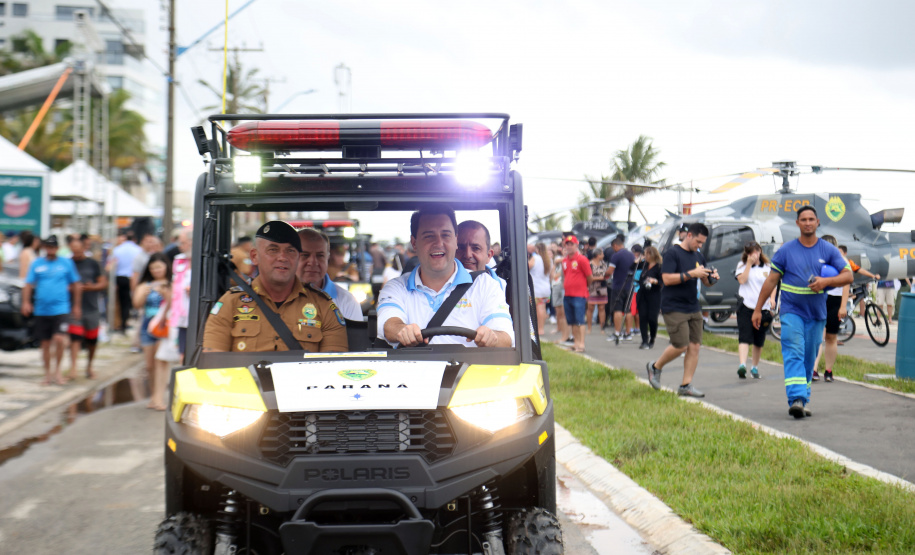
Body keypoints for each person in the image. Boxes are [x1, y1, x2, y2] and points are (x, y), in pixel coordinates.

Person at [752, 206, 853, 418]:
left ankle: (804, 398)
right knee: (794, 351)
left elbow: (848, 276)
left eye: (811, 219)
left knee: (808, 358)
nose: (807, 223)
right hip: (791, 310)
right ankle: (796, 398)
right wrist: (758, 309)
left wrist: (826, 281)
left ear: (817, 223)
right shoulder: (786, 251)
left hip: (817, 314)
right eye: (803, 220)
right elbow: (771, 280)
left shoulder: (828, 250)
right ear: (797, 223)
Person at [377, 205, 513, 348]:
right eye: (429, 236)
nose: (439, 243)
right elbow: (388, 323)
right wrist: (401, 330)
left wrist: (493, 337)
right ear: (414, 243)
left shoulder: (485, 285)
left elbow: (506, 337)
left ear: (455, 240)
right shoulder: (396, 287)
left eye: (446, 235)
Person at [204, 221, 348, 353]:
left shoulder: (324, 307)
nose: (282, 257)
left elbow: (332, 368)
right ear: (254, 256)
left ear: (298, 257)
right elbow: (214, 368)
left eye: (290, 251)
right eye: (273, 250)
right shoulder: (229, 304)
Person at [646, 223, 719, 398]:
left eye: (702, 243)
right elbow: (666, 279)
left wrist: (712, 278)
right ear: (689, 236)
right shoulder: (672, 253)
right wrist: (690, 274)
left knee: (695, 346)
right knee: (680, 346)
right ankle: (655, 367)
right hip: (674, 306)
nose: (700, 246)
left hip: (693, 305)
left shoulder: (699, 256)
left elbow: (706, 281)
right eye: (698, 242)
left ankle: (686, 385)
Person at [21, 235, 83, 386]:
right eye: (48, 247)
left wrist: (76, 305)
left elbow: (76, 284)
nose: (51, 250)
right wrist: (26, 302)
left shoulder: (66, 263)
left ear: (57, 248)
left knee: (59, 339)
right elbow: (28, 284)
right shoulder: (37, 264)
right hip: (42, 310)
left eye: (53, 247)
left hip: (61, 308)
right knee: (45, 344)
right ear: (44, 248)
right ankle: (48, 374)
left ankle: (58, 371)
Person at [297, 227, 364, 321]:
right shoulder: (275, 297)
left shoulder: (347, 301)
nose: (313, 262)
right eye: (305, 255)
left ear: (327, 258)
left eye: (320, 256)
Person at [133, 253, 172, 410]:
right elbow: (136, 304)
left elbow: (174, 303)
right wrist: (144, 293)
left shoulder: (170, 283)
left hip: (164, 324)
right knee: (149, 365)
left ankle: (159, 398)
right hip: (147, 325)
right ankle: (153, 396)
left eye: (159, 267)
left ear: (166, 267)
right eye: (153, 268)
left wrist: (165, 293)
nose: (156, 270)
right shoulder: (145, 285)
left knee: (160, 361)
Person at [67, 234, 107, 380]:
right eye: (73, 249)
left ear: (84, 248)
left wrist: (92, 287)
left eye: (79, 249)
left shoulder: (93, 263)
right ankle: (73, 368)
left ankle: (89, 366)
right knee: (75, 337)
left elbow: (103, 283)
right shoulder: (68, 263)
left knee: (92, 340)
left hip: (91, 306)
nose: (76, 252)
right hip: (73, 307)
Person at [734, 241, 775, 379]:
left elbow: (773, 285)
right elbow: (742, 280)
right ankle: (742, 365)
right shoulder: (742, 266)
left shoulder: (767, 268)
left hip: (763, 307)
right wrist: (749, 265)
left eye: (756, 252)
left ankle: (755, 367)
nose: (754, 255)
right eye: (750, 253)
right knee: (744, 336)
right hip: (746, 305)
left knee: (759, 339)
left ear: (760, 252)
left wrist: (772, 299)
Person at [811, 235, 849, 383]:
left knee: (831, 337)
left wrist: (843, 306)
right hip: (819, 298)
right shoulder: (816, 259)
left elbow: (846, 284)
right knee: (818, 336)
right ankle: (813, 369)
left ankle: (828, 370)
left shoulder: (841, 261)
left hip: (835, 301)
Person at [561, 235, 592, 353]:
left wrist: (584, 287)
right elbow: (566, 275)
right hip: (568, 294)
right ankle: (576, 343)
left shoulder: (582, 259)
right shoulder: (565, 260)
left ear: (576, 245)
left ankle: (581, 344)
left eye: (571, 244)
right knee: (572, 320)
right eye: (567, 244)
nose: (569, 246)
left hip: (579, 294)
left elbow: (589, 276)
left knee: (579, 320)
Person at [109, 230, 142, 332]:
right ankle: (125, 321)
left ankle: (122, 323)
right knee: (129, 301)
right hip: (133, 277)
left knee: (122, 302)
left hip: (120, 277)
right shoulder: (138, 249)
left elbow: (112, 265)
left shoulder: (117, 250)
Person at [169, 227, 193, 360]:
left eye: (183, 243)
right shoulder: (179, 259)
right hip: (181, 312)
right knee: (181, 350)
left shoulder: (202, 260)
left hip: (195, 312)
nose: (180, 246)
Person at [605, 235, 635, 342]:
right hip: (630, 286)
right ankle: (628, 333)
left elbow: (609, 271)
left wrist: (605, 275)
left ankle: (617, 332)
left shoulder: (616, 256)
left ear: (615, 245)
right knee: (628, 310)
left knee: (617, 309)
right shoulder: (631, 255)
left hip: (618, 286)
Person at [636, 246, 662, 350]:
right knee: (642, 317)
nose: (644, 256)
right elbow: (632, 268)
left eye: (646, 254)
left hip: (654, 294)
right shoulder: (644, 265)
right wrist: (637, 261)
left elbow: (662, 282)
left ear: (652, 255)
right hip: (642, 293)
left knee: (652, 318)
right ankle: (644, 340)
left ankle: (652, 338)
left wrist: (654, 281)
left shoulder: (659, 267)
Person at [529, 242, 552, 335]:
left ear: (537, 249)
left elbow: (527, 267)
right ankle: (541, 328)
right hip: (545, 288)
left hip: (536, 288)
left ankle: (536, 329)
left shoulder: (536, 258)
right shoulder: (549, 259)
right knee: (542, 309)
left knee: (536, 309)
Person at [586, 247, 609, 333]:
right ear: (597, 255)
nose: (603, 255)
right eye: (602, 254)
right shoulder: (589, 264)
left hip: (602, 288)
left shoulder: (604, 264)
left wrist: (603, 277)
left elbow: (607, 274)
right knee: (590, 307)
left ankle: (602, 328)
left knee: (602, 307)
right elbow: (588, 277)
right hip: (592, 288)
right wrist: (600, 277)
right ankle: (589, 327)